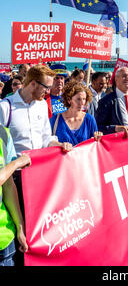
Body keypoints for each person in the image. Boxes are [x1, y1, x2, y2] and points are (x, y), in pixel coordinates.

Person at [0, 64, 72, 219]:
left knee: (39, 220)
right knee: (20, 222)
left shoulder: (41, 106)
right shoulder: (5, 107)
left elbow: (46, 139)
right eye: (46, 87)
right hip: (14, 178)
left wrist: (59, 145)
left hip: (38, 173)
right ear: (32, 83)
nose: (48, 91)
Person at [0, 125, 31, 266]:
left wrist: (20, 227)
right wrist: (17, 162)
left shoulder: (3, 133)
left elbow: (8, 185)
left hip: (5, 240)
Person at [50, 81, 102, 146]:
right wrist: (60, 145)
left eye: (84, 99)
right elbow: (48, 142)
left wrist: (97, 138)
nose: (82, 103)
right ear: (69, 100)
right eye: (78, 99)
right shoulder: (55, 120)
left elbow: (95, 146)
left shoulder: (89, 119)